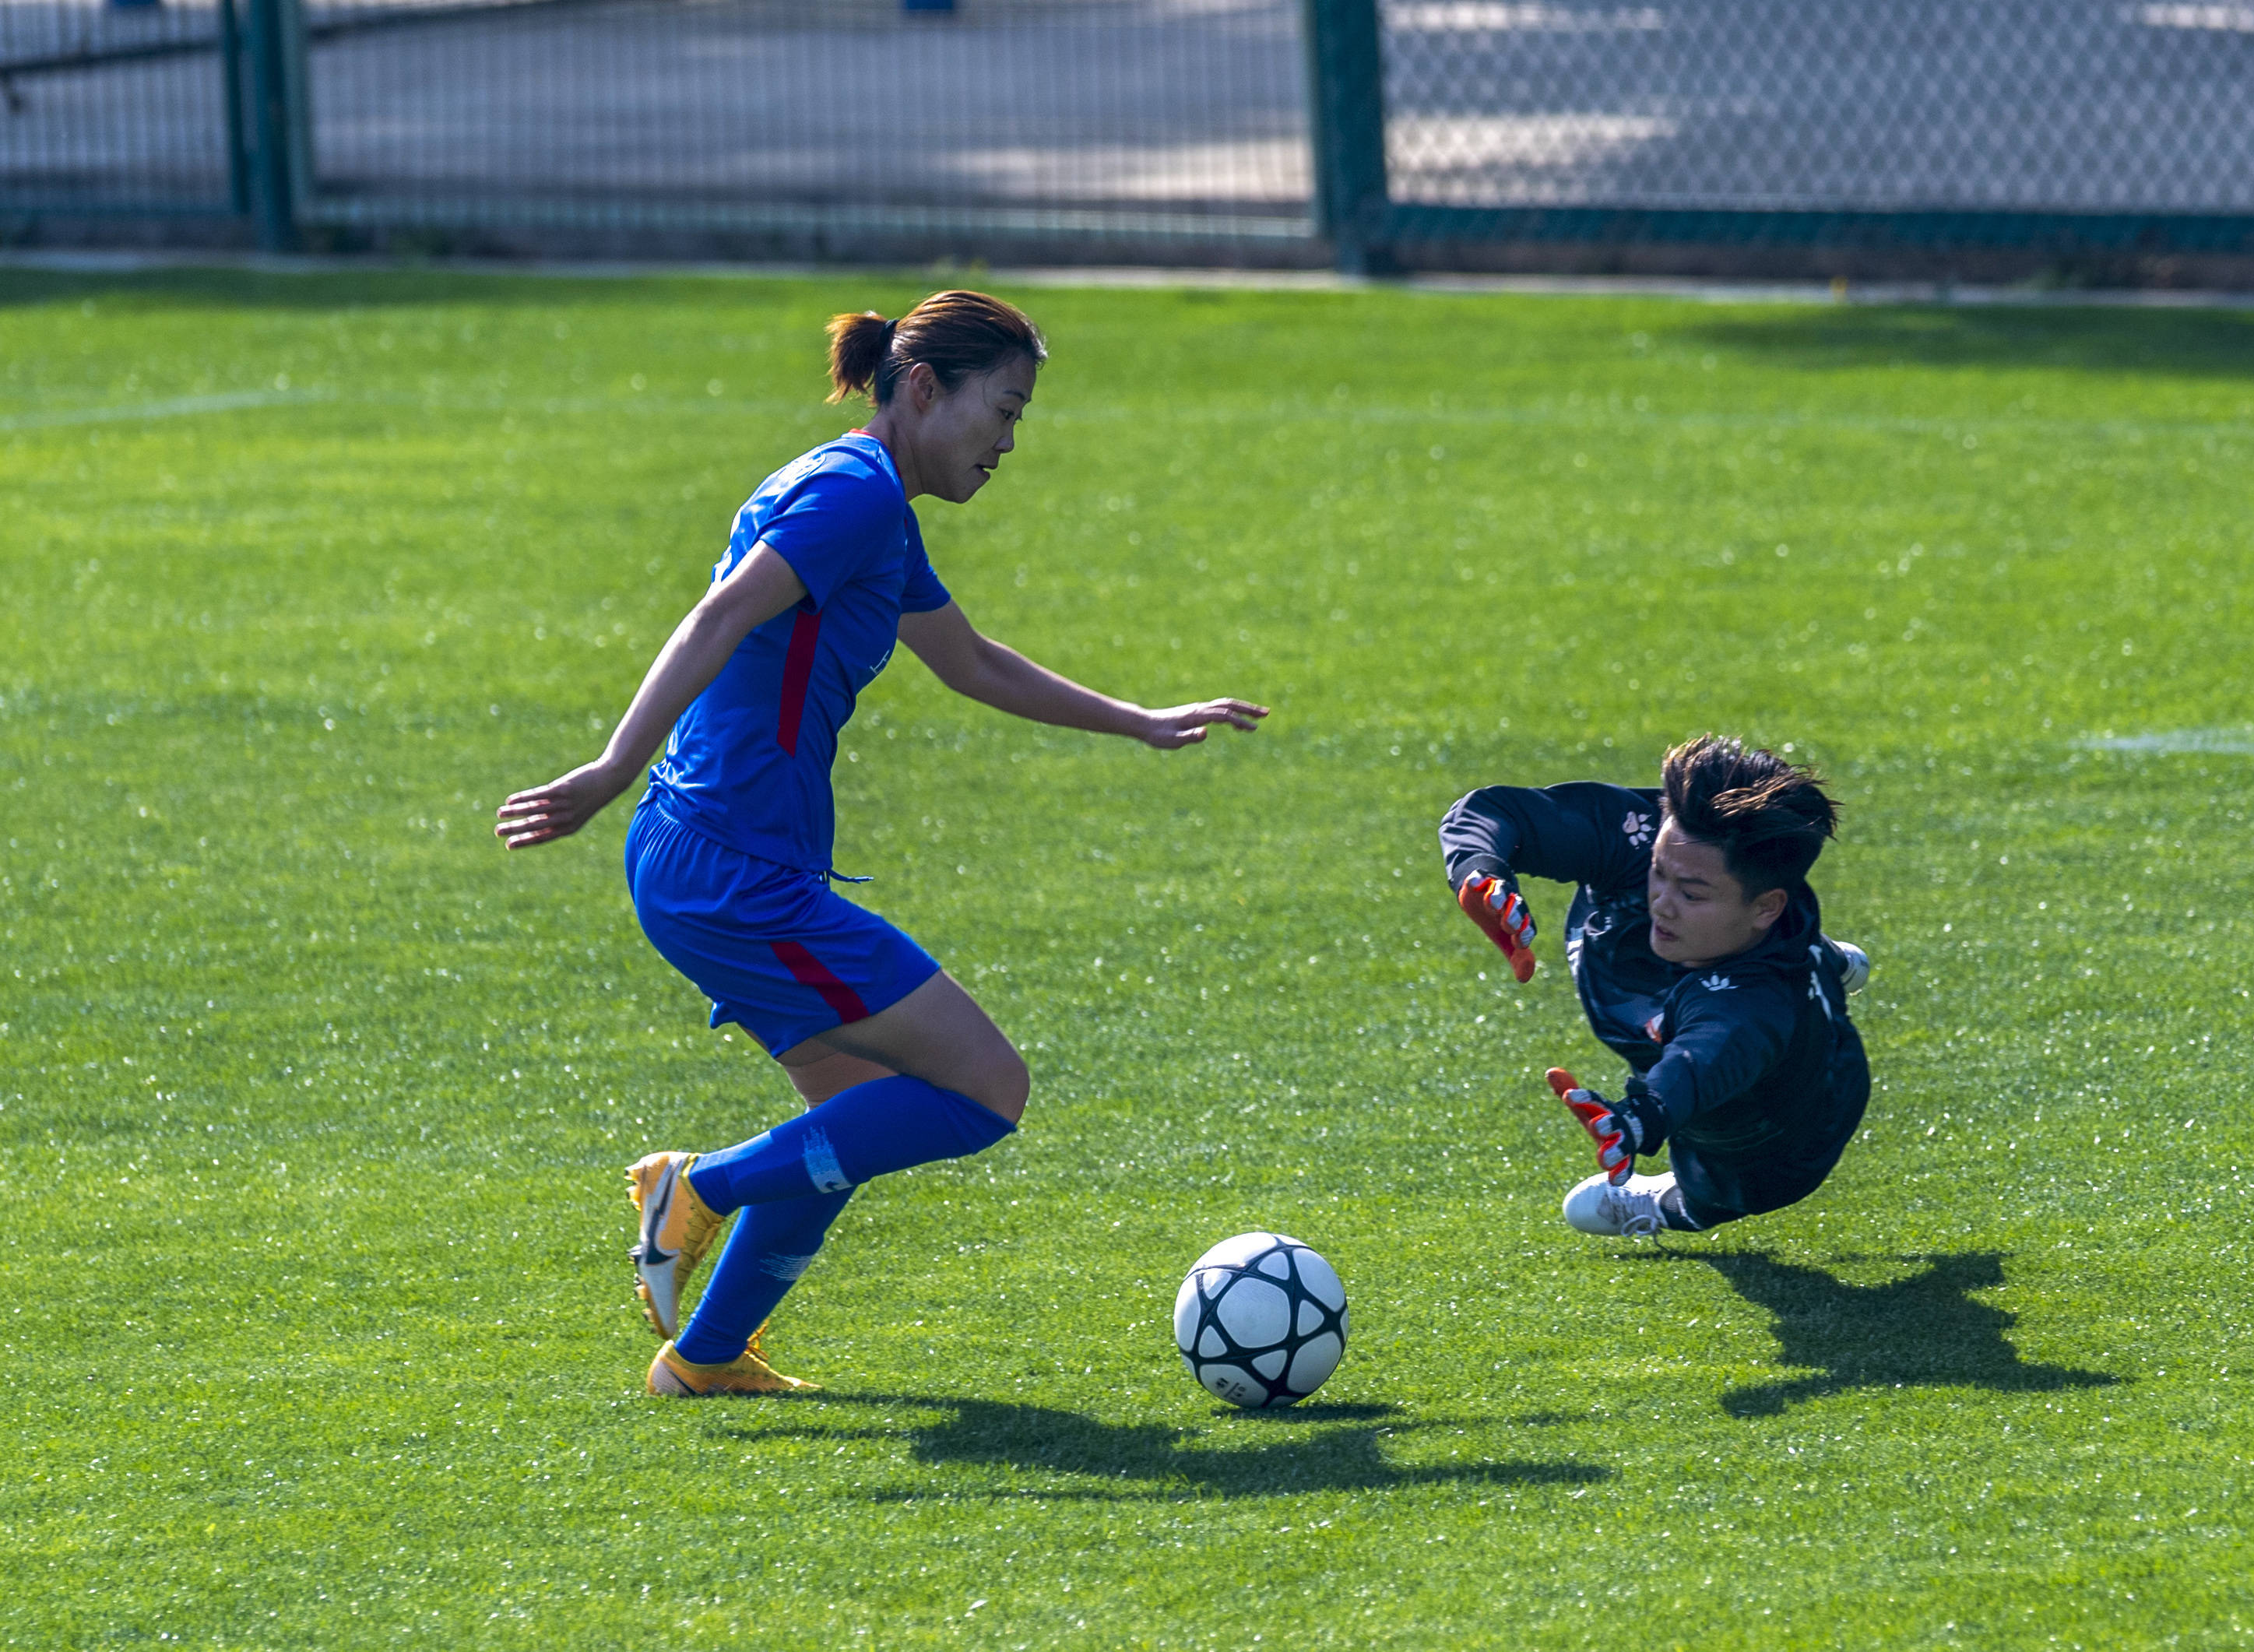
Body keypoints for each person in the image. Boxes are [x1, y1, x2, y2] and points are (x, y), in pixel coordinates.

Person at [497, 290, 1267, 1395]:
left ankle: (705, 1358)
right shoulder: (852, 497)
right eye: (999, 410)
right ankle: (697, 1187)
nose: (1007, 441)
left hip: (716, 860)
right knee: (985, 1087)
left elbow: (971, 662)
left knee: (853, 1114)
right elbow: (717, 614)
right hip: (733, 869)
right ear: (920, 389)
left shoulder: (869, 503)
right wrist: (607, 768)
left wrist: (1137, 720)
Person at [1438, 736, 1870, 1239]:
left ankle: (1661, 1203)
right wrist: (1478, 872)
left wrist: (1637, 1119)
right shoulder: (1650, 837)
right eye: (1658, 873)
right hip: (1747, 965)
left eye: (1690, 893)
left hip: (1785, 1122)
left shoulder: (1751, 1004)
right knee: (1775, 958)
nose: (1661, 902)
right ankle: (1822, 958)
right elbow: (1495, 812)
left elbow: (1702, 1059)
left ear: (1765, 907)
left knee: (1725, 1193)